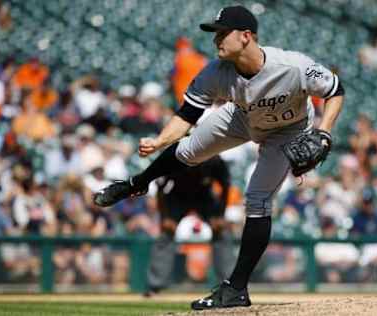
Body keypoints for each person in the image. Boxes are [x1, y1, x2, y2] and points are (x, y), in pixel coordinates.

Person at [94, 5, 345, 310]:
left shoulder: (292, 65)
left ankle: (236, 288)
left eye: (223, 33)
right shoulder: (215, 72)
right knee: (188, 150)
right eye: (216, 33)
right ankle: (137, 183)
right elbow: (187, 115)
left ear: (246, 37)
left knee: (257, 199)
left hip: (288, 131)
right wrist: (160, 140)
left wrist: (324, 131)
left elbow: (335, 88)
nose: (216, 40)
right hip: (243, 117)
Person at [145, 155, 234, 296]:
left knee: (221, 233)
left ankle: (229, 285)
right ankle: (154, 286)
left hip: (204, 196)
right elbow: (160, 188)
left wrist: (220, 215)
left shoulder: (214, 159)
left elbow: (225, 186)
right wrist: (165, 217)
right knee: (166, 234)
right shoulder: (174, 157)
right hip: (177, 196)